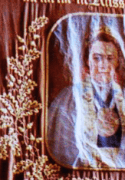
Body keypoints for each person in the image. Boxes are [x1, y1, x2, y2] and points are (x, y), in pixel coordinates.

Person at [48, 27, 125, 168]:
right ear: (87, 60)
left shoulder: (123, 97)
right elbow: (63, 149)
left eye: (110, 58)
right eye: (97, 58)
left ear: (117, 62)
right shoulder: (69, 98)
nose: (103, 65)